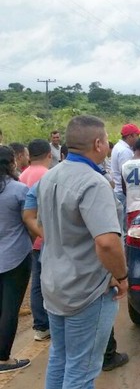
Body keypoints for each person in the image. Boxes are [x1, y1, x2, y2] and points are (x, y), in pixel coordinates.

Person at [37, 115, 129, 389]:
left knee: (60, 359)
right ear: (98, 143)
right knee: (82, 369)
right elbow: (106, 241)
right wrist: (121, 274)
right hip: (87, 290)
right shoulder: (93, 182)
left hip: (54, 281)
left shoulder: (50, 175)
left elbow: (43, 225)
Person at [0, 146, 33, 373]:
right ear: (11, 162)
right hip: (16, 256)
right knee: (10, 308)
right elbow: (30, 223)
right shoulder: (19, 190)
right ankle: (3, 359)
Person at [19, 139, 52, 341]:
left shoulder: (21, 176)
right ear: (49, 154)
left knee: (37, 284)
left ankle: (40, 326)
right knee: (50, 283)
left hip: (30, 238)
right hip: (48, 238)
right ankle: (53, 322)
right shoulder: (49, 177)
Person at [111, 123, 140, 221]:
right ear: (130, 136)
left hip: (120, 190)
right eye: (137, 135)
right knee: (125, 225)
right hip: (123, 192)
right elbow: (126, 173)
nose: (138, 138)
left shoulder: (119, 147)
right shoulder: (125, 151)